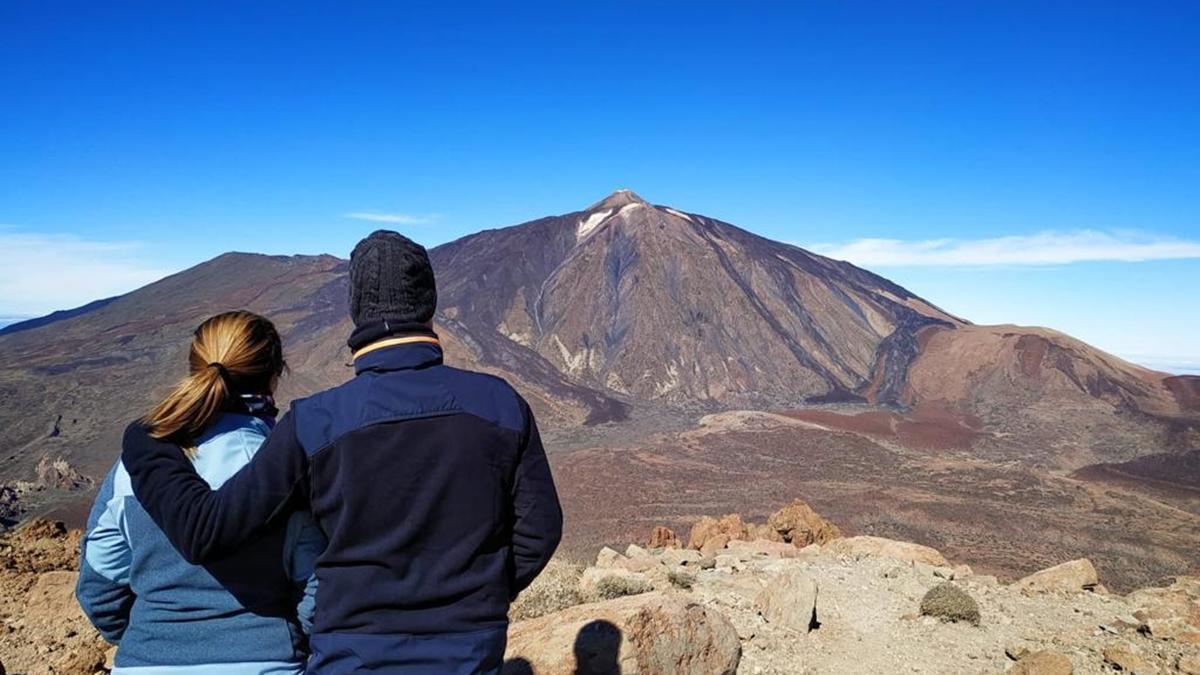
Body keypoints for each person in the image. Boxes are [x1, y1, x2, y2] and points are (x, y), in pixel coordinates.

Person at [120, 230, 563, 674]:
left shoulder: (315, 422)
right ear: (429, 303)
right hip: (469, 648)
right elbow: (538, 529)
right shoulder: (500, 404)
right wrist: (479, 595)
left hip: (353, 654)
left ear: (355, 309)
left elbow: (208, 531)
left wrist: (146, 441)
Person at [77, 310, 326, 675]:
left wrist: (153, 640)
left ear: (195, 369)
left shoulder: (134, 467)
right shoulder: (284, 467)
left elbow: (100, 584)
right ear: (274, 376)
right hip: (266, 660)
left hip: (145, 662)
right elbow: (314, 589)